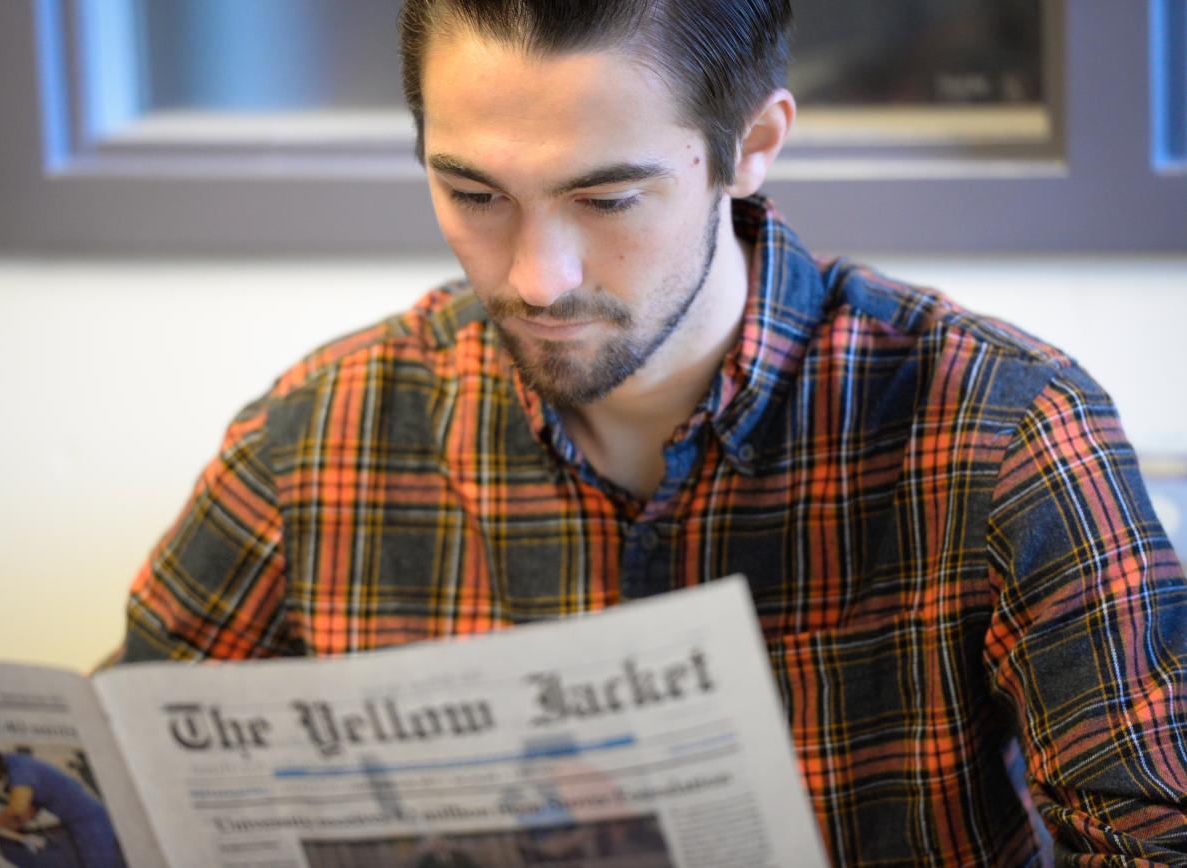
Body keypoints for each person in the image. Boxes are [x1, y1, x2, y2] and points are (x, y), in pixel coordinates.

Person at [119, 1, 1187, 863]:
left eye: (608, 199)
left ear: (753, 145)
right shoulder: (321, 432)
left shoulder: (1002, 428)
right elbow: (124, 777)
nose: (537, 278)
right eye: (471, 192)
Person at [0, 743, 122, 868]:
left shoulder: (19, 767)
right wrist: (6, 828)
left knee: (98, 864)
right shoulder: (21, 767)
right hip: (81, 821)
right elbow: (27, 813)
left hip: (89, 821)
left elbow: (16, 810)